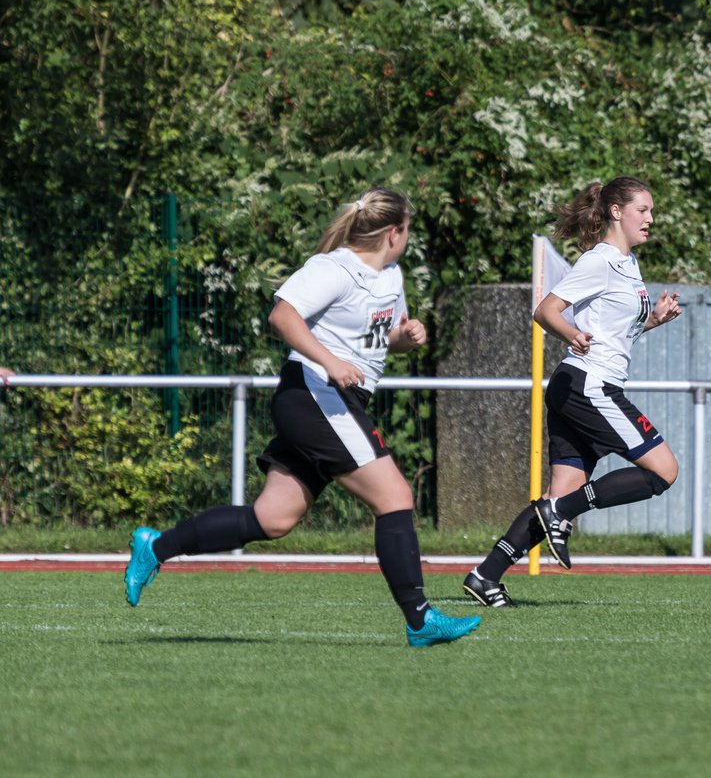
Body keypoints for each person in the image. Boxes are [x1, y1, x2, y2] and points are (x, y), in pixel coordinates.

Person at [125, 188, 480, 647]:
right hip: (314, 394)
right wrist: (330, 362)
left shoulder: (390, 274)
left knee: (272, 518)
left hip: (336, 399)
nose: (408, 236)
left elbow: (376, 339)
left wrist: (405, 338)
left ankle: (156, 547)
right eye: (408, 228)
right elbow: (283, 316)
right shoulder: (333, 268)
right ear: (395, 232)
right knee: (394, 496)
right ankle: (420, 620)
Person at [463, 176, 682, 607]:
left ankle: (485, 576)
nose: (651, 219)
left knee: (558, 495)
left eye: (652, 211)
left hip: (581, 385)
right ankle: (560, 514)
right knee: (664, 471)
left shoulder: (629, 264)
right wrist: (571, 333)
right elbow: (545, 310)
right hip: (588, 385)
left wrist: (652, 321)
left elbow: (614, 334)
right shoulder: (599, 261)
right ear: (616, 212)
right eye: (643, 210)